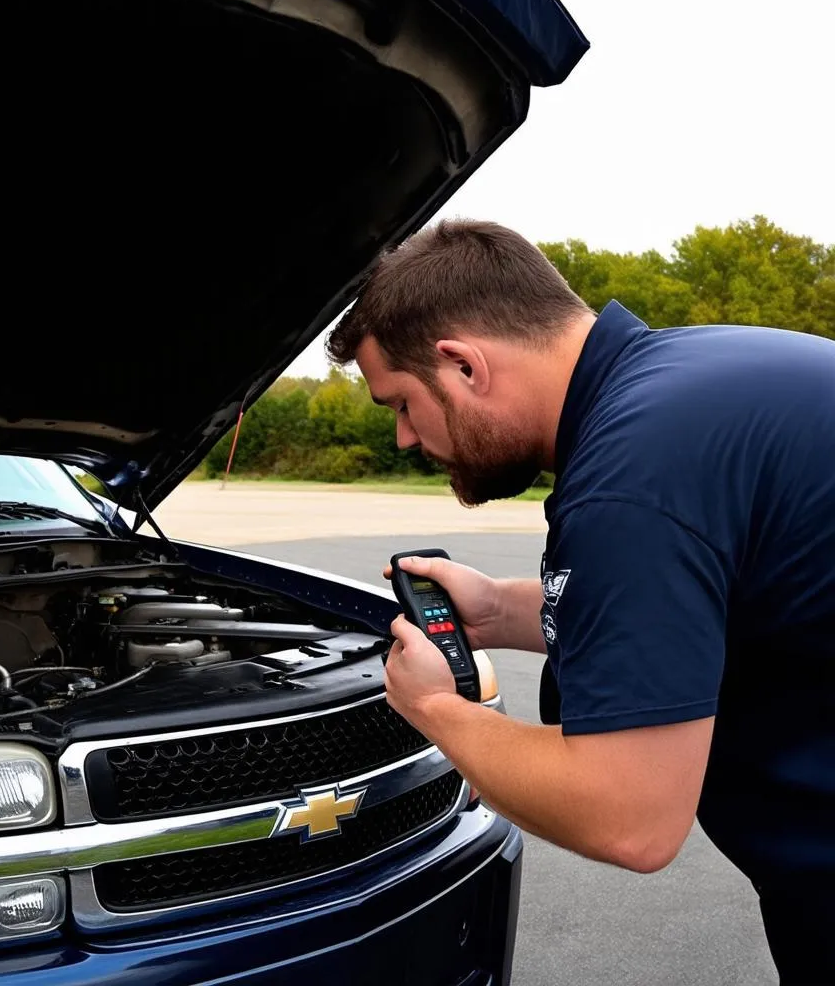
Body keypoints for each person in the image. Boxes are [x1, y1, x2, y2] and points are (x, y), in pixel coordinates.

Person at [324, 218, 835, 985]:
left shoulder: (631, 478)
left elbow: (628, 817)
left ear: (462, 364)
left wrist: (437, 709)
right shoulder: (687, 383)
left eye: (398, 404)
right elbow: (701, 604)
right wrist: (495, 608)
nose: (402, 439)